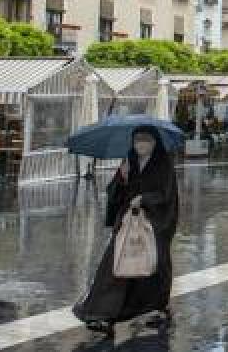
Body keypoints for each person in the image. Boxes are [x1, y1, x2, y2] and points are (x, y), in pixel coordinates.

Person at [74, 127, 179, 335]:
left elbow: (167, 195)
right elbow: (114, 192)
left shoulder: (163, 164)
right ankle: (101, 313)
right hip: (128, 222)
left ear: (155, 142)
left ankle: (156, 307)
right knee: (114, 264)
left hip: (154, 225)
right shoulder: (128, 161)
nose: (141, 144)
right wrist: (122, 179)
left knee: (153, 267)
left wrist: (146, 199)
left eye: (146, 140)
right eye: (137, 140)